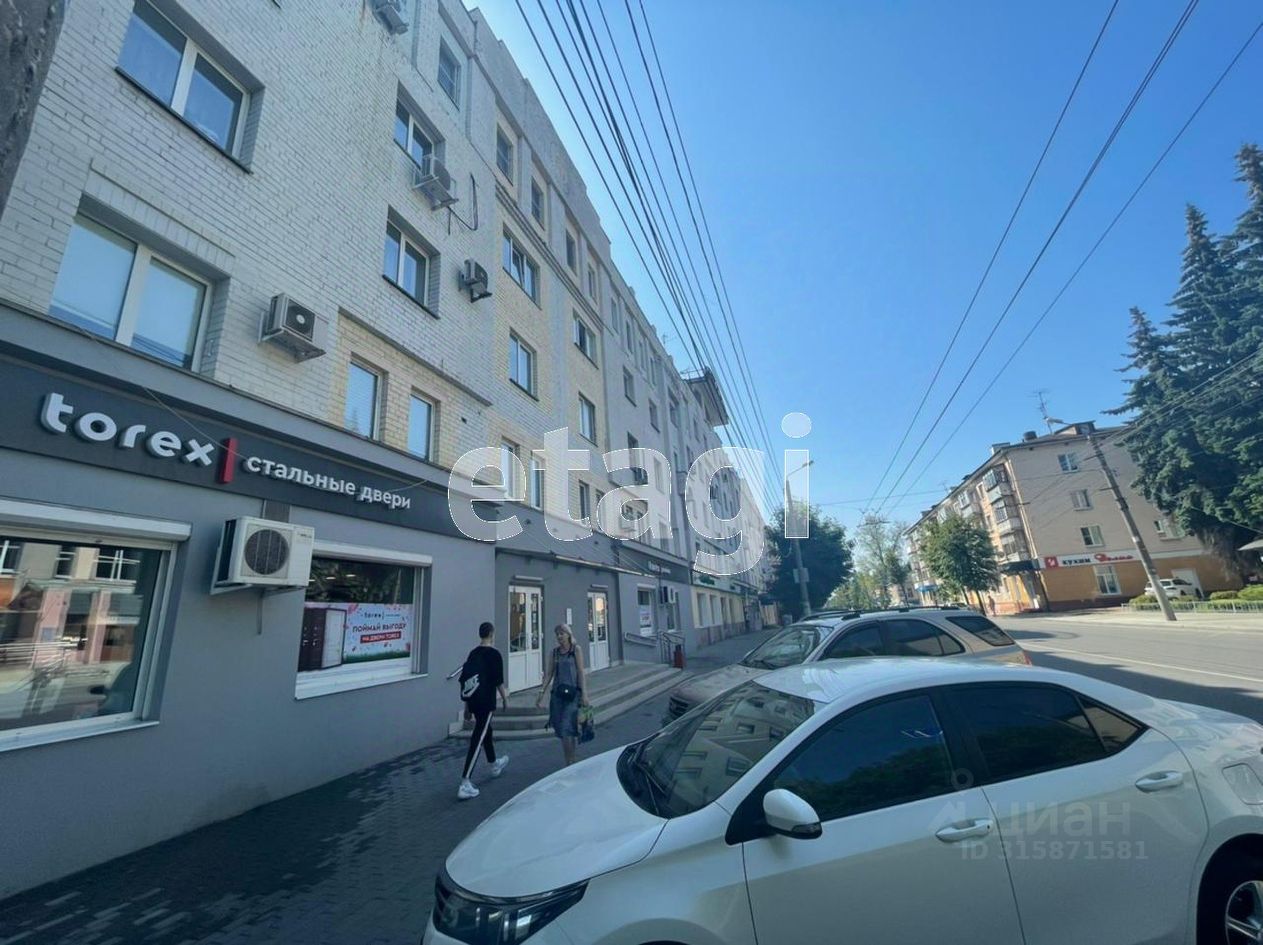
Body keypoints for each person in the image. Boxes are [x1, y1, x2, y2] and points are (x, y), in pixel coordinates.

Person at [458, 621, 509, 800]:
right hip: (486, 701)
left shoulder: (473, 653)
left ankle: (494, 764)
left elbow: (467, 680)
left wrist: (466, 706)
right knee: (479, 735)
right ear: (492, 634)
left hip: (473, 699)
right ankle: (465, 782)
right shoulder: (494, 654)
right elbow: (498, 681)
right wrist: (504, 698)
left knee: (487, 731)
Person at [535, 624, 588, 766]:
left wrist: (584, 694)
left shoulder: (576, 650)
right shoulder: (554, 653)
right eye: (557, 634)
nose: (559, 636)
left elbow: (581, 672)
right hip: (558, 697)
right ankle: (571, 759)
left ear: (568, 634)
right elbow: (549, 674)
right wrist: (542, 692)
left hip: (573, 696)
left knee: (567, 729)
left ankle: (569, 762)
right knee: (564, 730)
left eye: (561, 633)